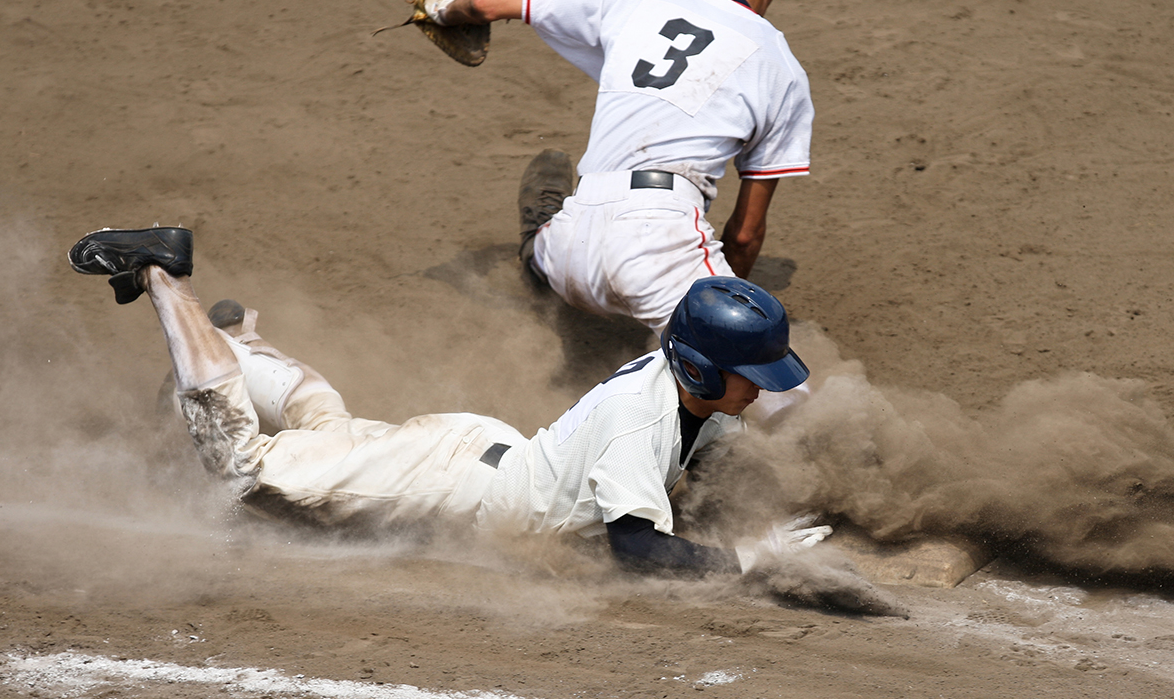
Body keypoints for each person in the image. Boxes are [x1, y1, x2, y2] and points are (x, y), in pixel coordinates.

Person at [67, 226, 829, 580]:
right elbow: (637, 552)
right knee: (245, 469)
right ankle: (163, 276)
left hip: (470, 460)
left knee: (328, 430)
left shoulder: (683, 390)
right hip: (448, 482)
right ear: (699, 373)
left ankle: (237, 349)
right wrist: (746, 559)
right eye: (751, 377)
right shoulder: (649, 417)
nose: (762, 390)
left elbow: (705, 457)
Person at [424, 0, 813, 336]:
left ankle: (537, 245)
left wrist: (440, 7)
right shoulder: (781, 67)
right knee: (764, 376)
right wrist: (716, 310)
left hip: (568, 249)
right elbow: (745, 236)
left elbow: (482, 1)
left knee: (562, 235)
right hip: (660, 249)